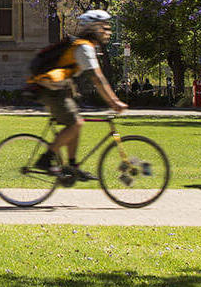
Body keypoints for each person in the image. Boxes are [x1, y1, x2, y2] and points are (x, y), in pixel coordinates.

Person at [27, 10, 128, 180]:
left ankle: (72, 167)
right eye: (105, 27)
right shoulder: (84, 48)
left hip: (56, 88)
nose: (108, 31)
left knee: (75, 122)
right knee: (76, 124)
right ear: (95, 28)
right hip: (49, 88)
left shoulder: (84, 46)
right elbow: (97, 77)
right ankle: (45, 160)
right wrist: (114, 102)